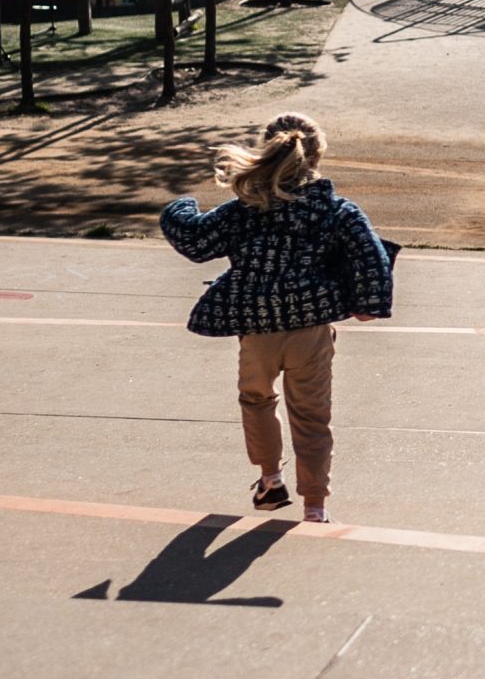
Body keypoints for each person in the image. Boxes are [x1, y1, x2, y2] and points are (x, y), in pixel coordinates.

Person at [160, 113, 394, 525]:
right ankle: (315, 507)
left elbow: (195, 241)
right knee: (312, 416)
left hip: (258, 326)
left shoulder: (246, 207)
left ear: (266, 148)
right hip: (311, 327)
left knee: (256, 399)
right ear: (318, 154)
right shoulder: (335, 210)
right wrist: (369, 303)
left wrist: (181, 205)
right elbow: (371, 258)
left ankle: (270, 480)